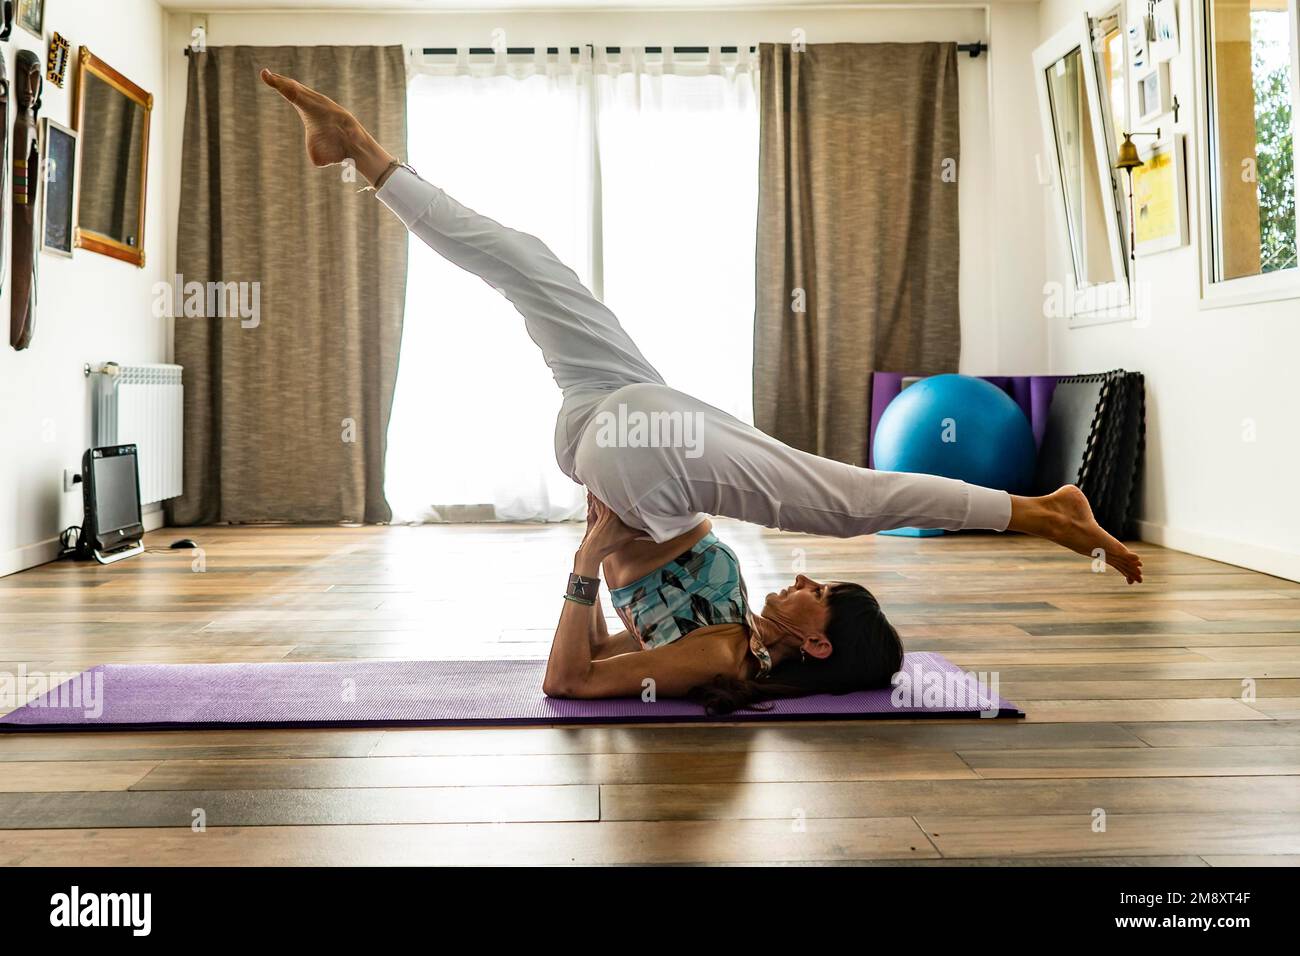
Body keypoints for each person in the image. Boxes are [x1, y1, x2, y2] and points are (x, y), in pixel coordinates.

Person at [262, 70, 1142, 713]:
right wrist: (622, 555)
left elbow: (569, 679)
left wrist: (582, 563)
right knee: (531, 267)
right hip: (619, 429)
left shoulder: (722, 658)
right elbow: (608, 644)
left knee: (847, 499)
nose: (800, 575)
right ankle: (363, 150)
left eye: (816, 593)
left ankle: (1043, 513)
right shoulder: (735, 635)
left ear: (817, 642)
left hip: (632, 456)